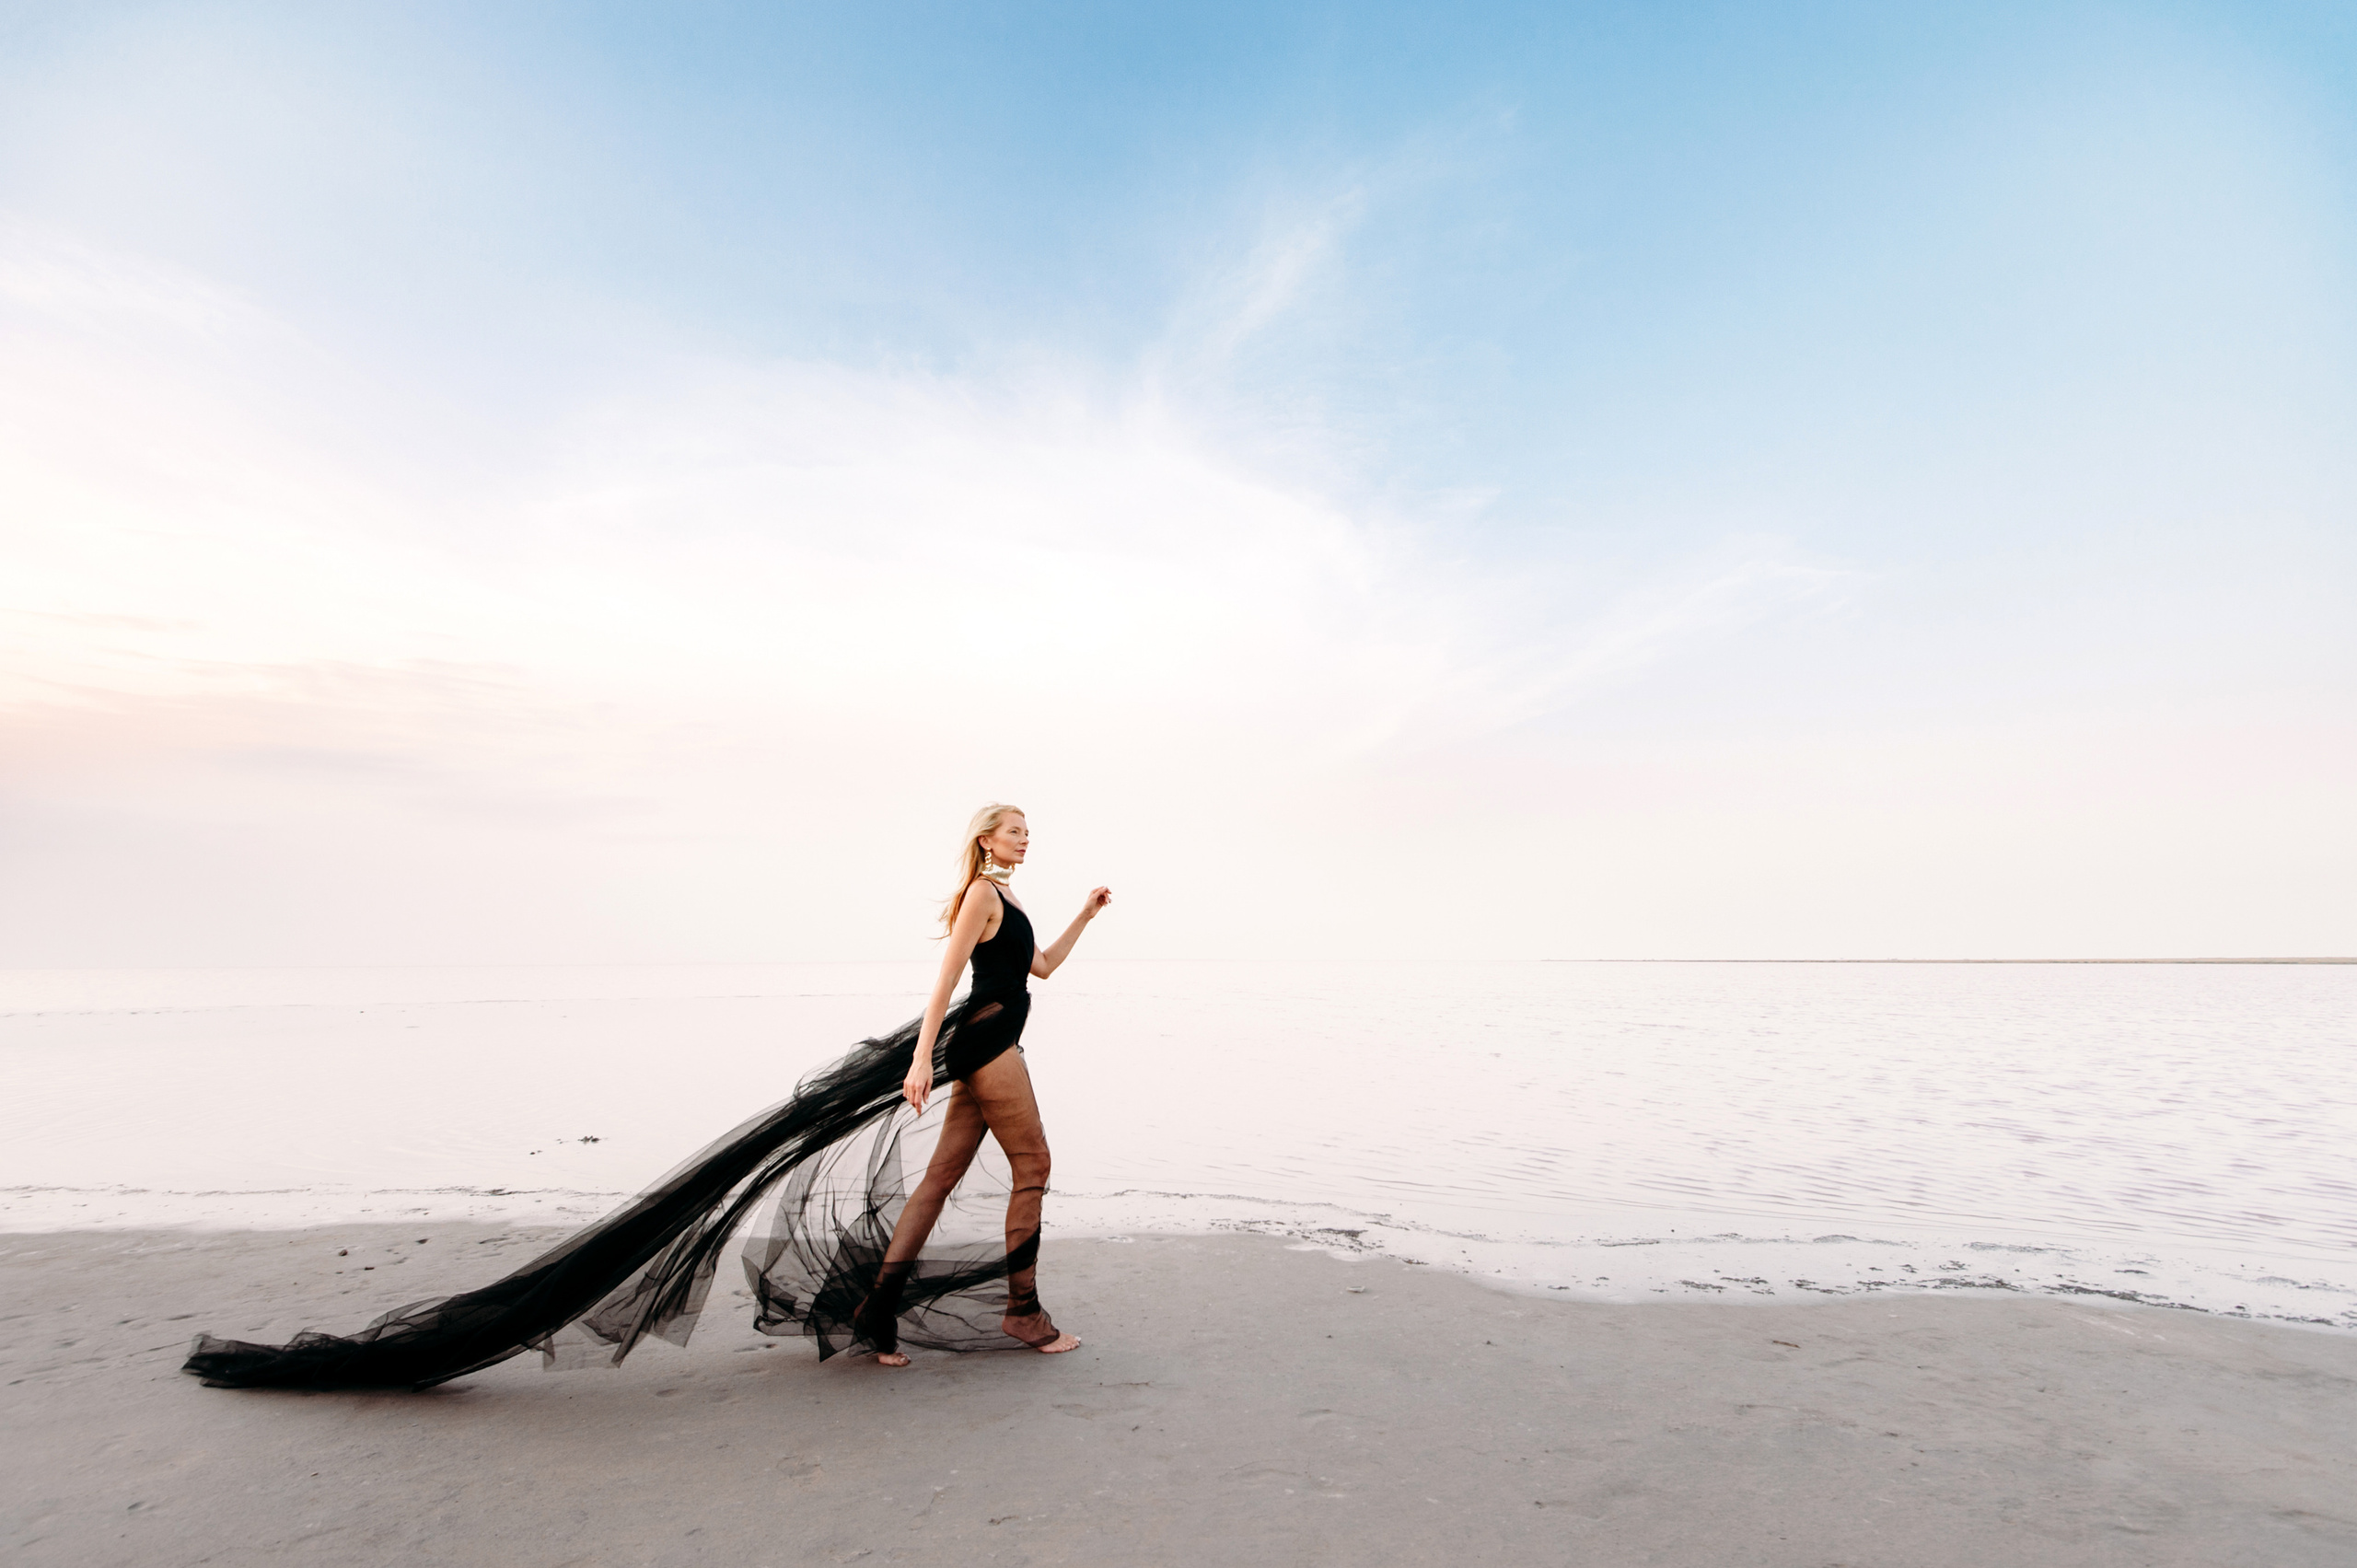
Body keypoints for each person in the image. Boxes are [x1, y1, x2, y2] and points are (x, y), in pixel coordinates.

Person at [181, 803, 1110, 1390]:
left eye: (1031, 831)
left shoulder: (1014, 904)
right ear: (985, 838)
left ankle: (875, 1312)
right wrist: (917, 1059)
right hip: (984, 1041)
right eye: (1014, 829)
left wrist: (1085, 914)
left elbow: (1043, 968)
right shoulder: (977, 899)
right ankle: (1021, 1308)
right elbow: (945, 981)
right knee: (1033, 1164)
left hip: (1001, 1032)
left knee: (940, 1180)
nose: (1026, 838)